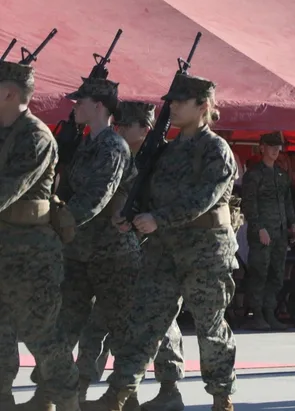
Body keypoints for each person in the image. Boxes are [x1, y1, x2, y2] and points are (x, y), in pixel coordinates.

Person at [82, 74, 239, 411]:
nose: (173, 107)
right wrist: (133, 215)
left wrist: (158, 219)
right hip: (164, 250)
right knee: (142, 322)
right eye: (171, 101)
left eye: (181, 101)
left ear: (203, 106)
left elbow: (204, 198)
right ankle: (118, 394)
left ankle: (221, 398)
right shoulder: (165, 152)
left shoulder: (215, 149)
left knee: (210, 327)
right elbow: (150, 192)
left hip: (206, 250)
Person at [75, 101, 187, 409]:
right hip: (118, 250)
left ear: (145, 128)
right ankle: (84, 385)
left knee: (160, 322)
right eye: (118, 124)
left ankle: (168, 386)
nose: (119, 129)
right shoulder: (112, 154)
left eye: (126, 125)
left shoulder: (163, 160)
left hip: (157, 249)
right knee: (99, 320)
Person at [46, 78, 132, 406]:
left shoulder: (113, 146)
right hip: (79, 250)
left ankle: (124, 397)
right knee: (66, 324)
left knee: (118, 330)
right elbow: (69, 189)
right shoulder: (84, 144)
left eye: (79, 101)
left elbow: (97, 196)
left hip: (111, 255)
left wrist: (59, 222)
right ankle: (59, 395)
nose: (74, 106)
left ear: (98, 105)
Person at [0, 58, 80, 409]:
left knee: (42, 333)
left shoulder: (35, 137)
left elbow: (5, 191)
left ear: (8, 92)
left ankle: (65, 401)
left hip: (31, 254)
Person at [242, 131, 295, 331]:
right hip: (263, 232)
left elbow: (287, 201)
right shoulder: (254, 175)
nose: (276, 150)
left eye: (278, 147)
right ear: (262, 147)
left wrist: (293, 224)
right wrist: (259, 229)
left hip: (280, 232)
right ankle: (256, 314)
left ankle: (269, 312)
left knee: (276, 273)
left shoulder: (281, 175)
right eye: (272, 146)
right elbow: (249, 205)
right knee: (259, 272)